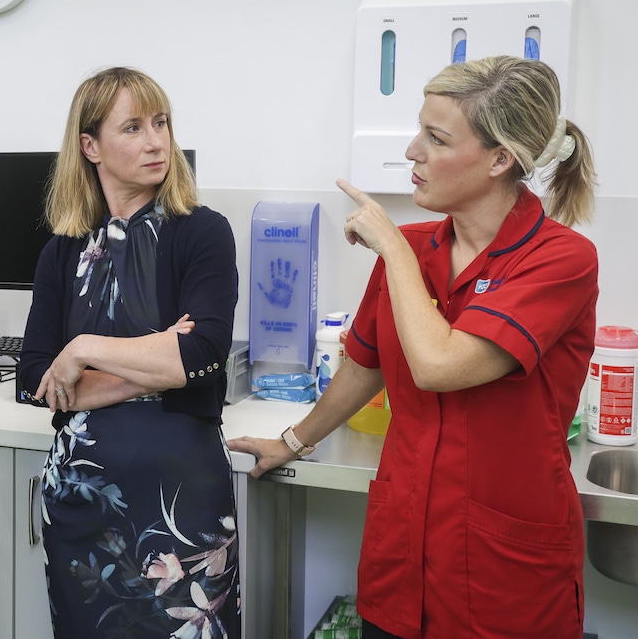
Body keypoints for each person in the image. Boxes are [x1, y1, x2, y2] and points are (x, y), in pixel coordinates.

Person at [230, 55, 598, 639]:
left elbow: (438, 366)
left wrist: (392, 249)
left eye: (436, 137)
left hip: (506, 570)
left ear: (501, 159)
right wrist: (293, 440)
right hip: (401, 554)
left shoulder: (560, 260)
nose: (411, 152)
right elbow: (364, 367)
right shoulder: (413, 248)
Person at [18, 67, 242, 638]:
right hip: (81, 504)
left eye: (161, 123)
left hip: (180, 505)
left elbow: (206, 354)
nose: (156, 141)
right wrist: (160, 364)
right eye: (134, 127)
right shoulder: (61, 251)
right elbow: (36, 380)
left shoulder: (202, 232)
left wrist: (86, 351)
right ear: (89, 146)